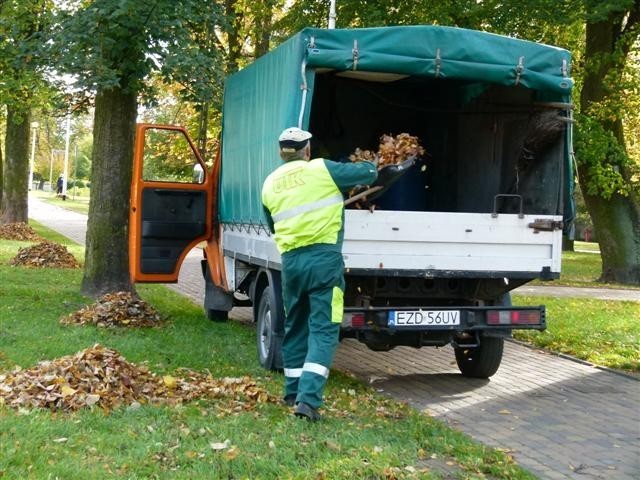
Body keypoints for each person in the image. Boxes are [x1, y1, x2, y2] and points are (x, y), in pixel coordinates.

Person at [261, 127, 378, 421]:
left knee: (295, 327)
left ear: (281, 152)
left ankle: (292, 392)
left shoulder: (269, 184)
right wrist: (371, 163)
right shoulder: (321, 169)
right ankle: (308, 401)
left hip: (291, 264)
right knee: (324, 330)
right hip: (323, 260)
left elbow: (273, 226)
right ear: (308, 150)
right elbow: (368, 174)